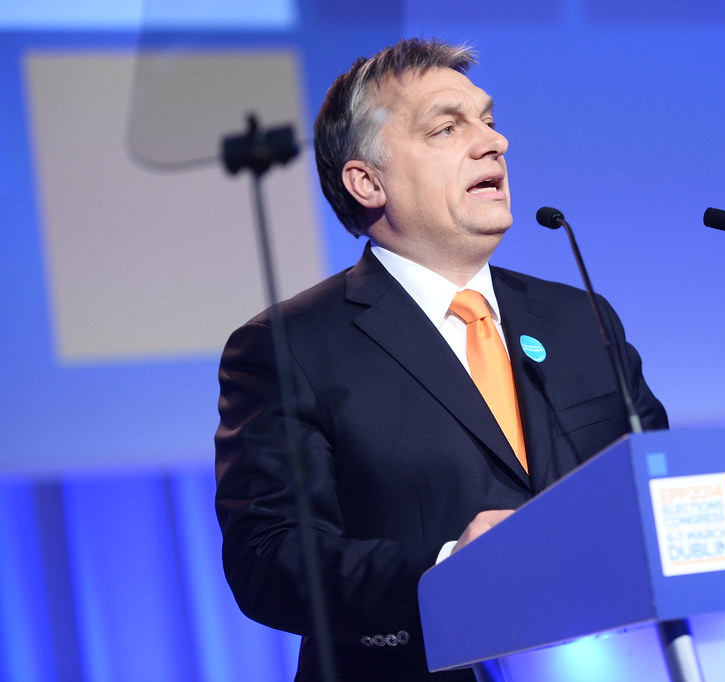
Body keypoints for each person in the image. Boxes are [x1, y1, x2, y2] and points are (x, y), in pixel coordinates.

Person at [214, 37, 668, 681]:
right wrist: (448, 568)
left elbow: (658, 490)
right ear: (367, 182)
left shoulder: (580, 319)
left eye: (488, 120)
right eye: (447, 128)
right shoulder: (289, 346)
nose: (495, 143)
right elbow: (269, 559)